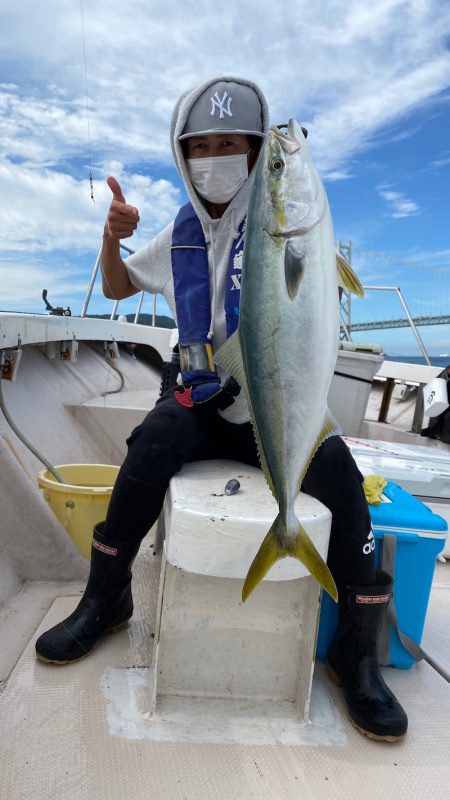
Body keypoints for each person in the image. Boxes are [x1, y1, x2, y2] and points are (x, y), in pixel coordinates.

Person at [35, 76, 407, 742]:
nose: (214, 157)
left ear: (256, 150)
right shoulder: (179, 231)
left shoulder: (281, 218)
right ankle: (106, 597)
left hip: (278, 405)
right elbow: (118, 286)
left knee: (346, 486)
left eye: (230, 144)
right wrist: (110, 238)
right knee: (149, 446)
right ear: (182, 156)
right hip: (200, 396)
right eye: (199, 146)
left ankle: (357, 651)